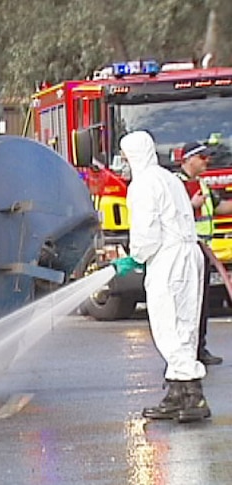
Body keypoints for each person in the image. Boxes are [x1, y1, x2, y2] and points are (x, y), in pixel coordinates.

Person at [112, 131, 210, 423]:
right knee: (185, 326)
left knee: (168, 326)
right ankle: (178, 392)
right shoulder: (169, 178)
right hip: (189, 255)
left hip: (168, 259)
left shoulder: (142, 185)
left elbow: (146, 232)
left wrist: (135, 256)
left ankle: (193, 395)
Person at [176, 141, 232, 365]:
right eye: (202, 158)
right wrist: (191, 205)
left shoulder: (203, 185)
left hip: (203, 254)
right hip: (184, 254)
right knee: (186, 304)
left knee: (202, 302)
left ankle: (200, 348)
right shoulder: (175, 184)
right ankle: (186, 352)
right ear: (189, 159)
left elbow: (219, 208)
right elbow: (171, 214)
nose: (206, 162)